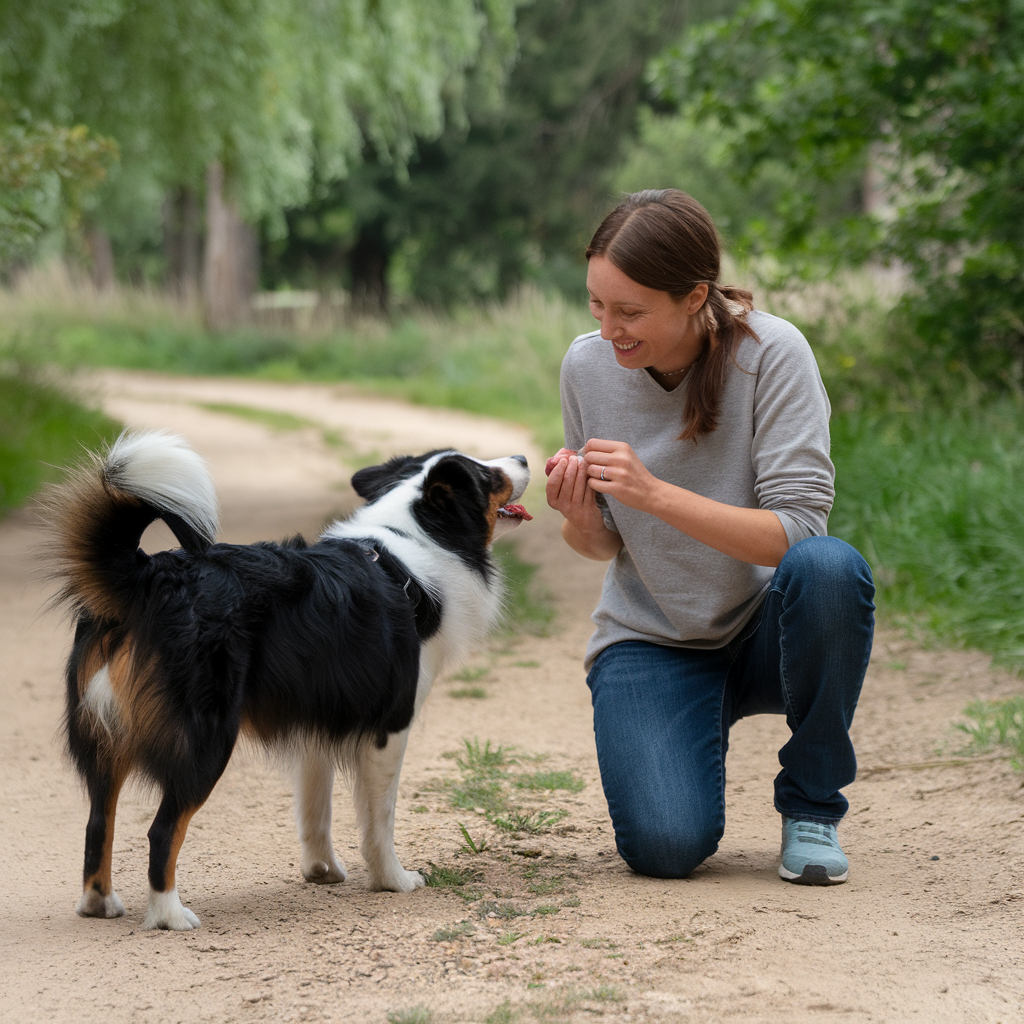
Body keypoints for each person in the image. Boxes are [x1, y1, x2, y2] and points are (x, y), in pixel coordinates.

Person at [545, 189, 874, 885]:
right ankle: (687, 722)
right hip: (653, 639)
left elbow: (796, 532)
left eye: (630, 311)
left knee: (830, 570)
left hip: (767, 631)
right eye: (596, 305)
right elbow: (604, 546)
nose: (609, 331)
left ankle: (813, 805)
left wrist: (655, 494)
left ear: (695, 297)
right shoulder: (587, 366)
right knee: (665, 848)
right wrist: (581, 517)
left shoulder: (773, 355)